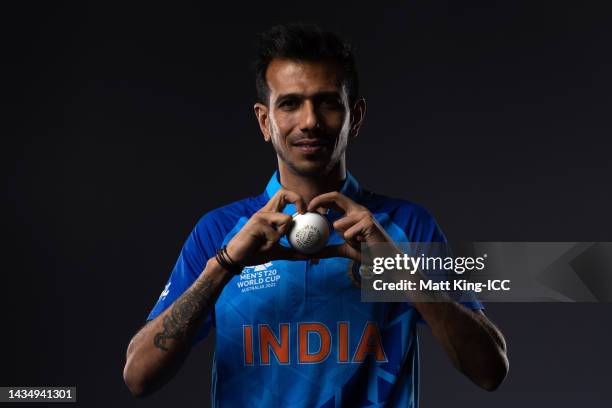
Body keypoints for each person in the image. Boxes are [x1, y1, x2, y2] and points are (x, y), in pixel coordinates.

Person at [123, 23, 508, 407]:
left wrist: (399, 271)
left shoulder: (406, 225)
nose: (310, 121)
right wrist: (225, 264)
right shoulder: (221, 231)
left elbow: (490, 370)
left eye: (327, 102)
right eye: (290, 103)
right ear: (264, 121)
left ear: (354, 117)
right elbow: (138, 377)